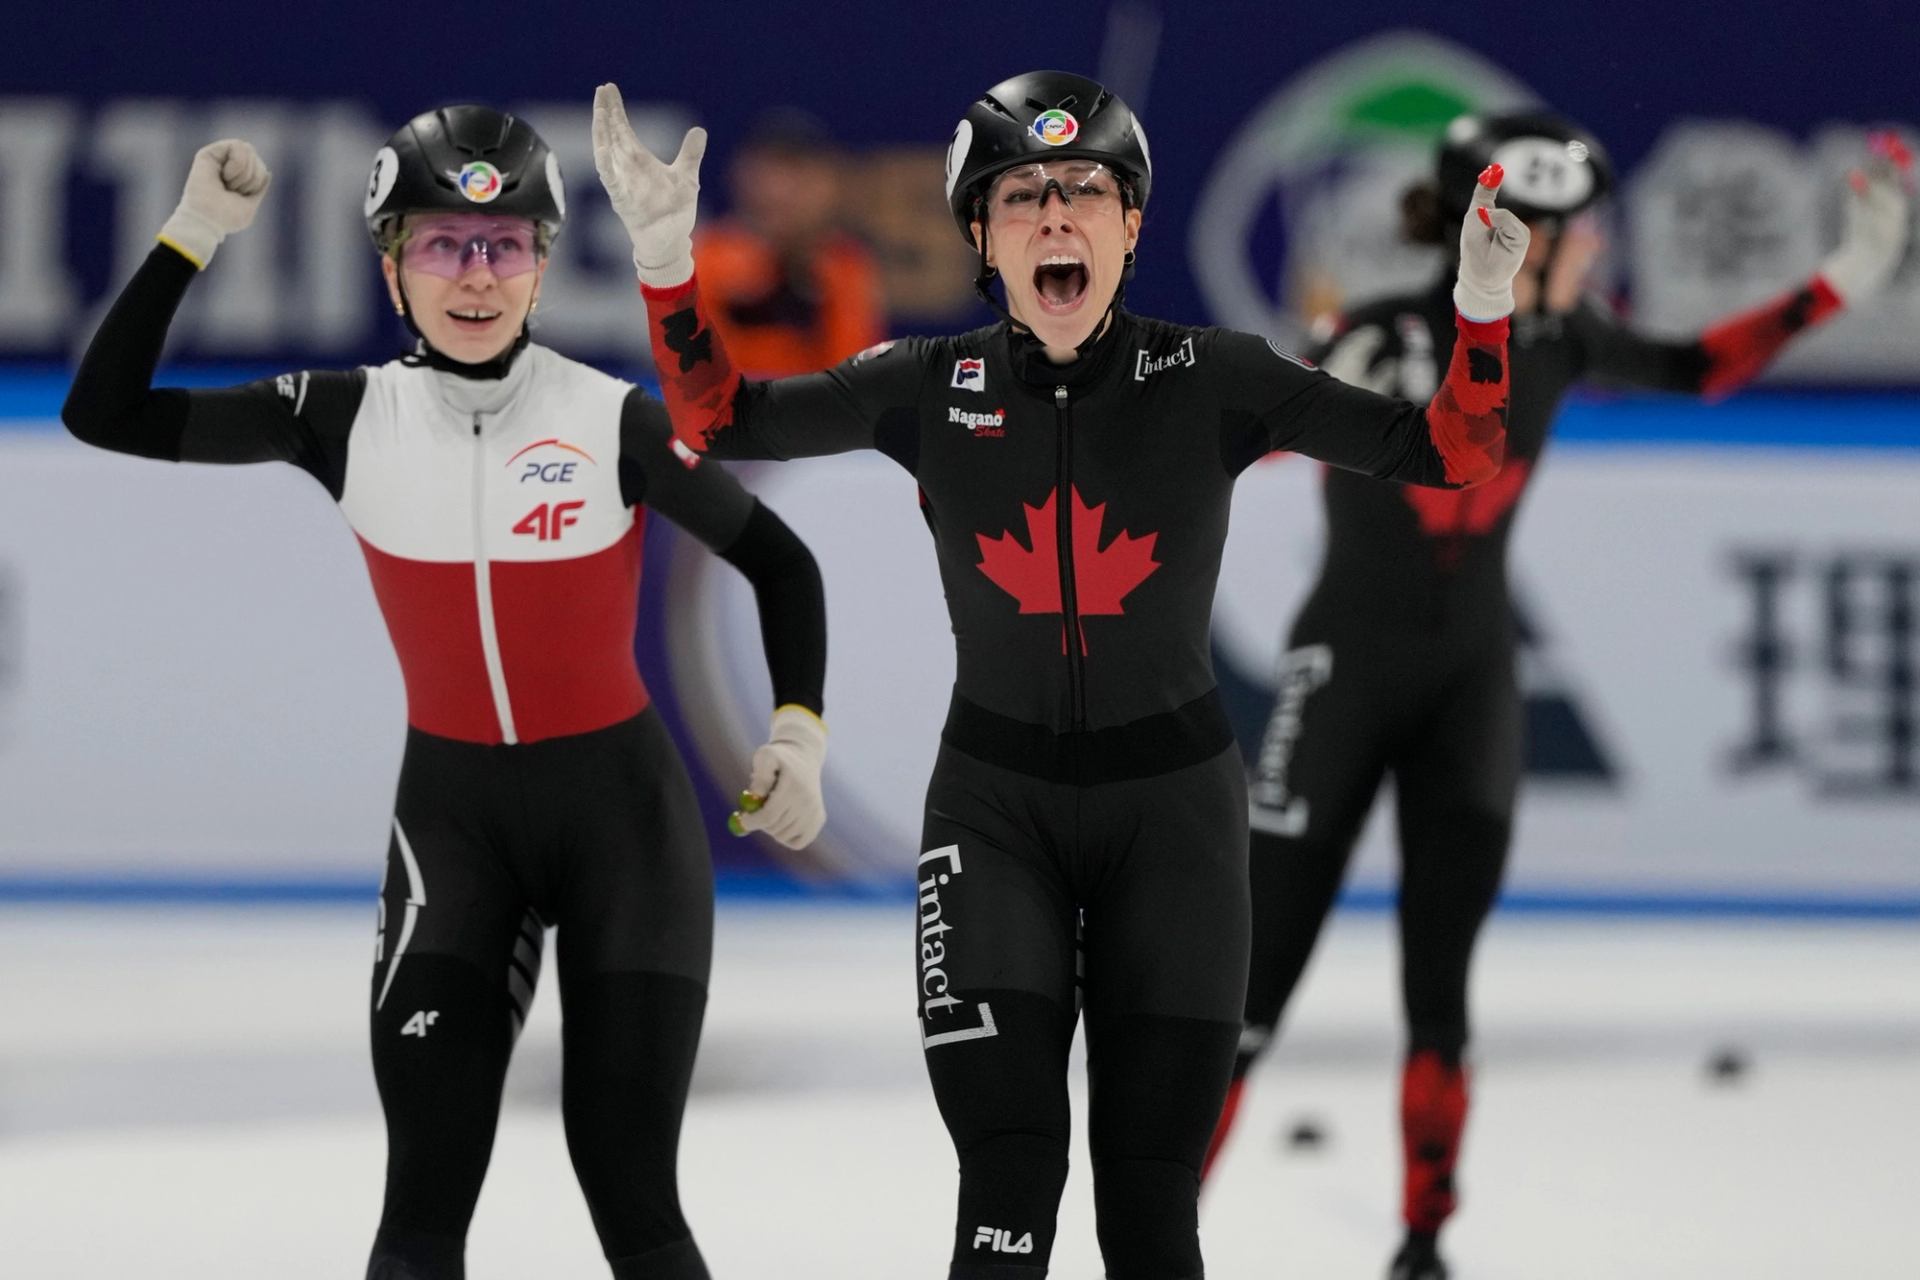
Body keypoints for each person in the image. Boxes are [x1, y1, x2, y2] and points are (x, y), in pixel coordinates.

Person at [592, 70, 1528, 1278]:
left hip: (1178, 822)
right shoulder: (924, 387)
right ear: (978, 235)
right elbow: (719, 421)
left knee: (1149, 1217)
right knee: (1009, 1183)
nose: (1054, 216)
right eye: (1020, 194)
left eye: (1085, 189)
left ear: (1132, 226)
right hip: (995, 814)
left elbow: (1452, 454)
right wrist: (668, 259)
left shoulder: (1219, 376)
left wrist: (1484, 305)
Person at [61, 105, 833, 1280]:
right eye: (440, 245)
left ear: (540, 266)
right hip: (452, 831)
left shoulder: (606, 417)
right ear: (390, 268)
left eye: (505, 245)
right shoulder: (338, 417)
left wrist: (799, 729)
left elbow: (781, 561)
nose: (475, 276)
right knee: (421, 1202)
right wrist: (191, 234)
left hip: (624, 827)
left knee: (629, 1186)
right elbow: (102, 413)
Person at [1208, 112, 1913, 1280]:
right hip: (1341, 675)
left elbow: (1695, 367)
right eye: (1578, 230)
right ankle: (1152, 1241)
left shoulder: (1564, 337)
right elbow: (1240, 435)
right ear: (1518, 237)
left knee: (1442, 993)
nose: (1595, 249)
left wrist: (1836, 281)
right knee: (1247, 994)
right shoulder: (1380, 335)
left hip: (1468, 681)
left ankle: (1425, 1240)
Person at [692, 107, 886, 377]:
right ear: (743, 176)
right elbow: (700, 369)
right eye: (772, 171)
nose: (782, 190)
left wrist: (809, 276)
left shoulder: (844, 264)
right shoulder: (707, 256)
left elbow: (854, 370)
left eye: (799, 174)